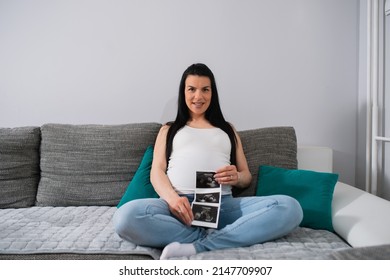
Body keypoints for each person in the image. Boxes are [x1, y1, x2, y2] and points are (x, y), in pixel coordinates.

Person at [113, 63, 303, 259]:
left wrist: (236, 177)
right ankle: (207, 235)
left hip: (222, 205)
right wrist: (173, 199)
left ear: (213, 93)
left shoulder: (228, 129)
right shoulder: (168, 129)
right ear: (183, 92)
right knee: (124, 218)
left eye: (205, 89)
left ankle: (199, 246)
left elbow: (246, 177)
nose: (198, 96)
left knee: (291, 208)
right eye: (192, 89)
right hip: (178, 205)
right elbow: (157, 172)